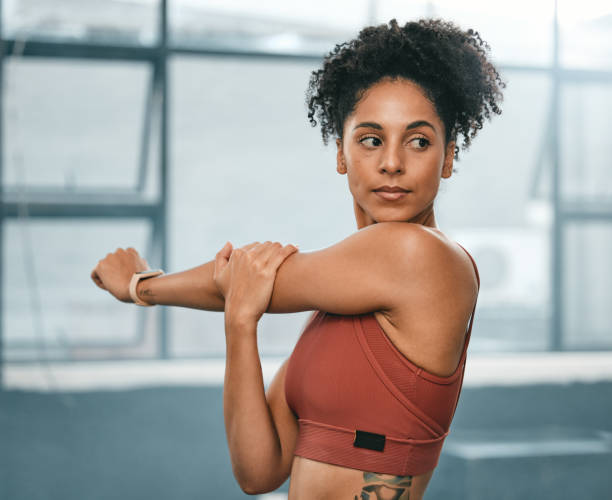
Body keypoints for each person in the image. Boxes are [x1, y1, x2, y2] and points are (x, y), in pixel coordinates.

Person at [91, 17, 505, 500]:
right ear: (341, 154)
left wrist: (139, 285)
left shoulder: (420, 254)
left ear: (449, 157)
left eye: (418, 141)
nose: (392, 162)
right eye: (371, 139)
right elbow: (258, 472)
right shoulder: (331, 313)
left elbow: (241, 278)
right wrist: (240, 325)